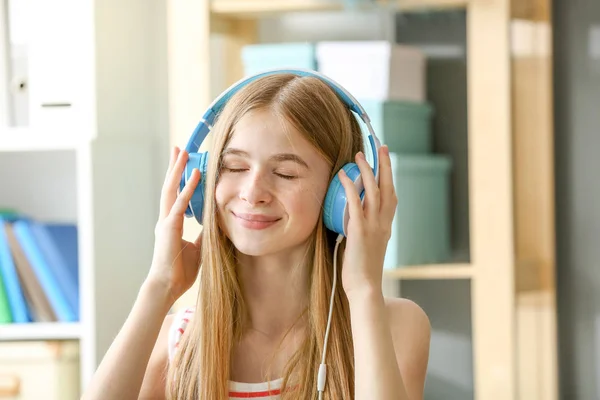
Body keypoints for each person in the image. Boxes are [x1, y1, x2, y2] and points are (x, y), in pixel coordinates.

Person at [81, 71, 431, 400]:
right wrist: (159, 286)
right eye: (234, 167)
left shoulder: (392, 326)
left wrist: (365, 288)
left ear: (342, 194)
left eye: (286, 173)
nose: (253, 192)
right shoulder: (177, 341)